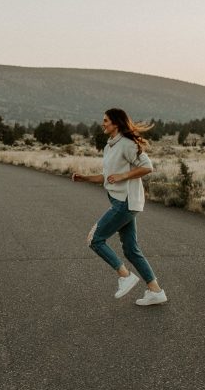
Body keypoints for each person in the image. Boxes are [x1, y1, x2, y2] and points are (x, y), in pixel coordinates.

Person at [72, 108, 168, 306]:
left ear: (116, 123)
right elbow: (108, 177)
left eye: (106, 120)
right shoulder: (110, 146)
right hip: (121, 201)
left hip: (126, 202)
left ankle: (124, 275)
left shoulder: (127, 144)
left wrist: (124, 176)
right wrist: (85, 178)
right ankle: (155, 291)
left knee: (95, 239)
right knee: (131, 250)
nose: (103, 123)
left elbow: (147, 166)